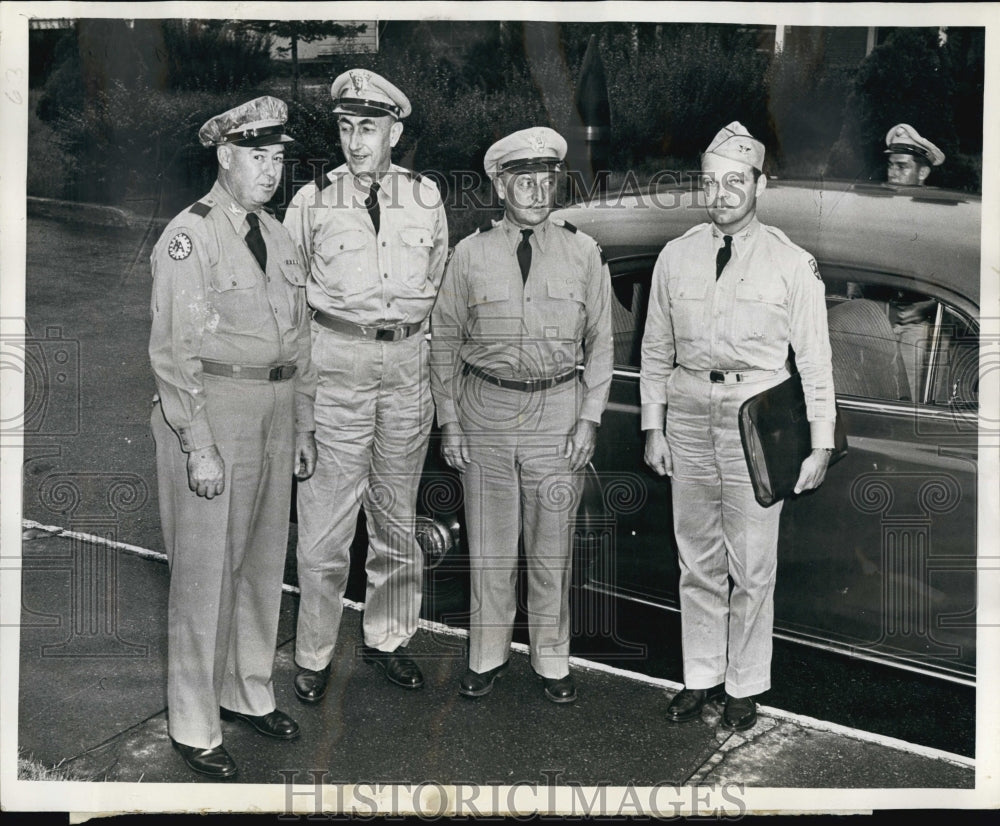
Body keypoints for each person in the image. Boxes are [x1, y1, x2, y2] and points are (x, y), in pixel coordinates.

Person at [640, 122, 836, 731]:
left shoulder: (791, 263)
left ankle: (745, 686)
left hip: (758, 420)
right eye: (711, 182)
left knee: (752, 565)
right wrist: (654, 427)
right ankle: (699, 678)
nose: (722, 193)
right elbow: (654, 351)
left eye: (735, 181)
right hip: (691, 411)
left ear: (759, 184)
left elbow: (815, 359)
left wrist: (821, 441)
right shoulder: (676, 256)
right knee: (696, 559)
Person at [149, 96, 317, 779]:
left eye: (278, 158)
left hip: (275, 412)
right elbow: (173, 350)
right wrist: (198, 443)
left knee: (258, 563)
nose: (270, 170)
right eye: (257, 156)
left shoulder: (276, 236)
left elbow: (301, 342)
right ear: (225, 156)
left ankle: (245, 691)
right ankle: (193, 722)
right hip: (215, 410)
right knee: (202, 574)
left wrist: (302, 425)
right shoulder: (191, 236)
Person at [430, 127, 612, 704]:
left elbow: (602, 341)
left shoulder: (584, 252)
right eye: (523, 179)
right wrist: (449, 421)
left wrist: (589, 419)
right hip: (484, 408)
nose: (537, 189)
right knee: (489, 545)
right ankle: (485, 656)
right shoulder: (470, 253)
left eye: (546, 178)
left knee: (551, 546)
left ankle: (552, 661)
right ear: (500, 184)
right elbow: (443, 340)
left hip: (557, 409)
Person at [283, 69, 448, 702]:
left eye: (370, 128)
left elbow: (434, 289)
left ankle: (389, 640)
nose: (356, 142)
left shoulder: (426, 199)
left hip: (404, 369)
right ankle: (314, 654)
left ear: (394, 132)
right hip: (338, 367)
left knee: (395, 520)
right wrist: (302, 406)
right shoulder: (311, 202)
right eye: (347, 128)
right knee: (325, 527)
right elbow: (296, 308)